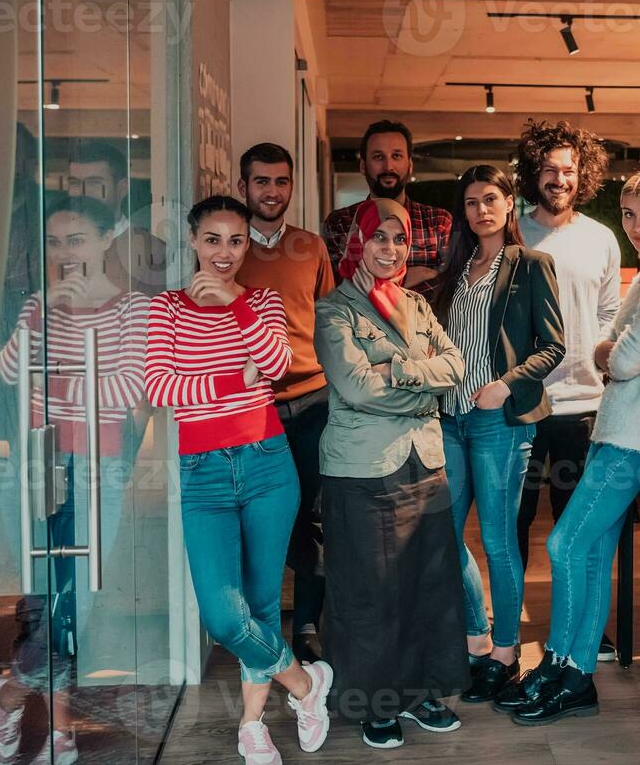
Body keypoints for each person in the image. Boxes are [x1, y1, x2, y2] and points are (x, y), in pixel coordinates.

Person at [144, 195, 331, 765]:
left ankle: (252, 725)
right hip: (204, 474)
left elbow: (274, 368)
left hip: (268, 464)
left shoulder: (264, 302)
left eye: (236, 241)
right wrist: (234, 382)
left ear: (247, 245)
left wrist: (235, 306)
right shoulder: (167, 309)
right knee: (225, 616)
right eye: (212, 239)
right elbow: (159, 389)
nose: (224, 252)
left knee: (260, 601)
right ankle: (304, 685)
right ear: (193, 241)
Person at [497, 169, 640, 725]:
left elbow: (616, 359)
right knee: (594, 554)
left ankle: (563, 665)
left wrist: (612, 355)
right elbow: (608, 352)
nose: (638, 225)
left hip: (635, 438)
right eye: (629, 213)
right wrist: (613, 354)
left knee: (563, 545)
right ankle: (574, 676)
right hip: (614, 425)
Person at [0, 195, 150, 765]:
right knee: (41, 596)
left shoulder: (134, 310)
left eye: (76, 239)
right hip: (38, 460)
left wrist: (55, 381)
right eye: (54, 242)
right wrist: (47, 316)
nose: (64, 253)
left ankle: (8, 694)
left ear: (107, 240)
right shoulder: (39, 304)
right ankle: (60, 731)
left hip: (99, 463)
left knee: (78, 597)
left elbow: (128, 389)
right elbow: (8, 372)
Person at [313, 198, 469, 750]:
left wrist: (396, 371)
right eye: (378, 237)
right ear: (357, 242)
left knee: (428, 584)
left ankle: (423, 691)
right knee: (370, 591)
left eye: (399, 239)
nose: (390, 248)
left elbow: (457, 367)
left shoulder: (418, 306)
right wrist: (420, 389)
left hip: (424, 463)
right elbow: (355, 388)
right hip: (363, 471)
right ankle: (374, 702)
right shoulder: (336, 309)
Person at [431, 165, 564, 703]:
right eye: (470, 202)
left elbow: (553, 346)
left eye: (491, 199)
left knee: (497, 541)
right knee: (443, 534)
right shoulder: (454, 272)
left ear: (510, 204)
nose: (481, 210)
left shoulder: (532, 265)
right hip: (448, 419)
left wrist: (505, 386)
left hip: (497, 422)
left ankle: (506, 654)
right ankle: (476, 635)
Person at [512, 120, 621, 657]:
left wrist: (606, 358)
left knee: (575, 526)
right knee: (513, 523)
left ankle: (579, 627)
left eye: (569, 170)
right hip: (522, 406)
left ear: (584, 176)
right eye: (550, 169)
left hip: (582, 404)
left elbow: (608, 315)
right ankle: (506, 628)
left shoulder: (600, 238)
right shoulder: (510, 232)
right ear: (535, 173)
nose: (560, 179)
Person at [235, 142, 336, 664]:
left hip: (314, 400)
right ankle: (259, 628)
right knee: (261, 515)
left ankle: (309, 629)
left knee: (313, 517)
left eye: (280, 182)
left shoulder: (311, 247)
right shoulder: (228, 248)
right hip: (254, 406)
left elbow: (327, 320)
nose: (272, 192)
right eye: (261, 182)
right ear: (243, 187)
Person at [323, 120, 451, 295]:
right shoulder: (341, 222)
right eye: (378, 157)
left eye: (396, 156)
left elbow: (450, 284)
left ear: (410, 164)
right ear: (362, 166)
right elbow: (340, 288)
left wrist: (372, 279)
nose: (388, 166)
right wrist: (415, 276)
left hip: (426, 321)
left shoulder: (438, 221)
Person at [67, 140, 168, 297]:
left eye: (94, 183)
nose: (82, 192)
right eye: (75, 183)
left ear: (122, 188)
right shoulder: (53, 247)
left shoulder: (153, 252)